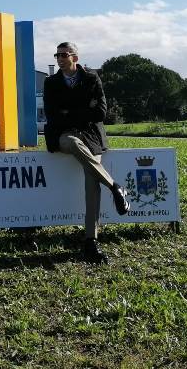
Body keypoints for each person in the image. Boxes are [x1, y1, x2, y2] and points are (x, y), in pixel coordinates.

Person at [43, 42, 129, 263]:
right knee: (72, 142)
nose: (59, 58)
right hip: (63, 134)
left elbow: (100, 112)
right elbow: (53, 115)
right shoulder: (51, 82)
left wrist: (68, 112)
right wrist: (83, 110)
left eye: (64, 54)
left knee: (92, 181)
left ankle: (91, 241)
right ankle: (115, 187)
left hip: (91, 135)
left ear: (75, 57)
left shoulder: (92, 78)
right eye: (57, 55)